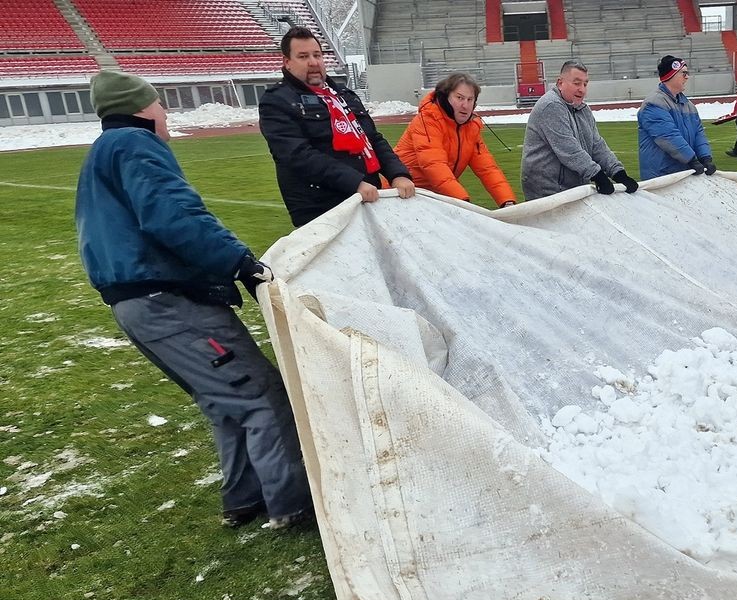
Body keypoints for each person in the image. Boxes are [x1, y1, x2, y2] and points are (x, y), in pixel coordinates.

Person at [75, 70, 313, 530]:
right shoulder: (134, 145)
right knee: (261, 394)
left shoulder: (101, 155)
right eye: (160, 104)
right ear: (143, 107)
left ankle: (245, 499)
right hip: (169, 300)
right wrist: (238, 261)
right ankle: (295, 503)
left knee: (224, 399)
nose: (165, 114)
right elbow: (174, 215)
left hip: (136, 304)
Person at [259, 26, 416, 227]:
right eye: (303, 56)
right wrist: (354, 182)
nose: (314, 62)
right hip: (321, 209)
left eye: (317, 55)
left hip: (367, 199)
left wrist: (398, 174)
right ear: (287, 62)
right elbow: (297, 155)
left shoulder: (343, 95)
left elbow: (373, 139)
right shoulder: (276, 101)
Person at [393, 72, 517, 207]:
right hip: (399, 195)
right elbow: (434, 166)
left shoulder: (470, 128)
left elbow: (487, 168)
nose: (465, 105)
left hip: (429, 198)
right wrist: (462, 201)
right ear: (445, 98)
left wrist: (507, 201)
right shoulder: (427, 121)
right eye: (460, 98)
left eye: (470, 100)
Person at [521, 60, 638, 200]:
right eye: (576, 83)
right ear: (560, 83)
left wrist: (618, 172)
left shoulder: (583, 109)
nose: (582, 89)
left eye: (585, 84)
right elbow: (568, 149)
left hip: (573, 189)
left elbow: (597, 145)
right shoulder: (551, 106)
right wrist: (597, 175)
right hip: (548, 192)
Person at [636, 55, 715, 180]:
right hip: (662, 175)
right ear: (671, 76)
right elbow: (668, 137)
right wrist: (691, 159)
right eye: (684, 73)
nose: (687, 77)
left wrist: (706, 157)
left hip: (683, 172)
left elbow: (699, 133)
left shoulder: (688, 105)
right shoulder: (654, 103)